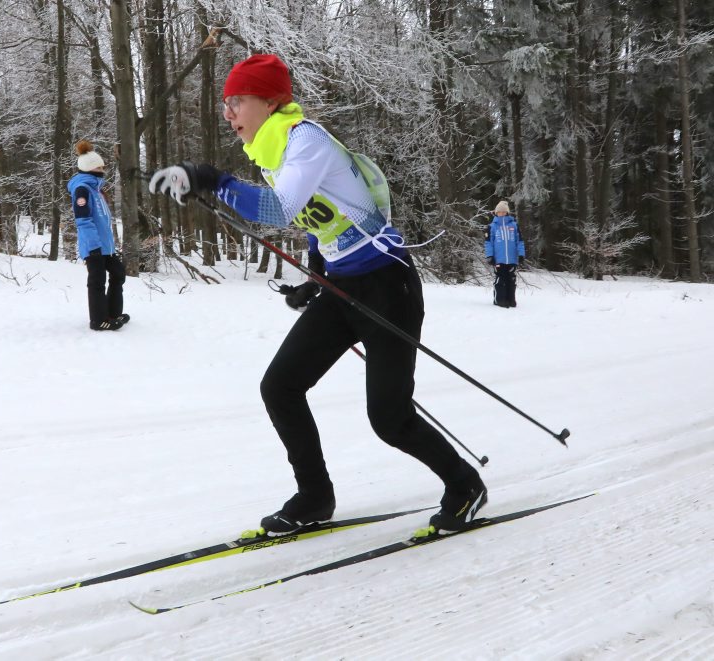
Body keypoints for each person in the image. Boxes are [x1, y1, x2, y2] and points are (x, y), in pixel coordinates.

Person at [148, 53, 486, 538]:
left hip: (388, 285)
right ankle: (314, 497)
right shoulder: (274, 150)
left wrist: (211, 178)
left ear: (268, 101)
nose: (228, 114)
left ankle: (464, 484)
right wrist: (317, 273)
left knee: (390, 419)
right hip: (344, 286)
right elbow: (319, 215)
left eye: (236, 102)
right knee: (280, 387)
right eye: (226, 104)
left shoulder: (306, 140)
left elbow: (284, 208)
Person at [66, 140, 129, 331]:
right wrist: (94, 247)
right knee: (97, 280)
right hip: (94, 246)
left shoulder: (96, 189)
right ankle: (98, 320)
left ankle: (113, 313)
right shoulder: (82, 190)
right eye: (100, 166)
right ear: (92, 168)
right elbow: (84, 221)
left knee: (118, 273)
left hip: (105, 246)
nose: (103, 169)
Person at [484, 201, 526, 308]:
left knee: (511, 279)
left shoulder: (514, 225)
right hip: (499, 259)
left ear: (507, 212)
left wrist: (521, 254)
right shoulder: (492, 226)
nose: (501, 213)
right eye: (499, 212)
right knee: (500, 279)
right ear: (496, 213)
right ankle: (499, 300)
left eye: (503, 212)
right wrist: (490, 256)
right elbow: (488, 243)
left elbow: (520, 241)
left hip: (512, 259)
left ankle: (510, 299)